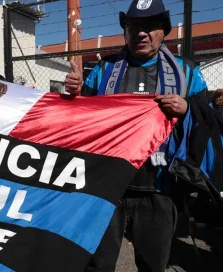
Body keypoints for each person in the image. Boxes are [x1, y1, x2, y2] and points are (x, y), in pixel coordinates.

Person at [64, 0, 209, 271]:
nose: (141, 33)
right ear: (125, 32)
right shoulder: (103, 69)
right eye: (133, 26)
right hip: (107, 187)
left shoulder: (187, 72)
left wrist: (188, 108)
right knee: (96, 264)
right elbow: (78, 122)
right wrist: (72, 95)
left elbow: (207, 119)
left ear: (164, 31)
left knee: (153, 265)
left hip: (161, 189)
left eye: (150, 26)